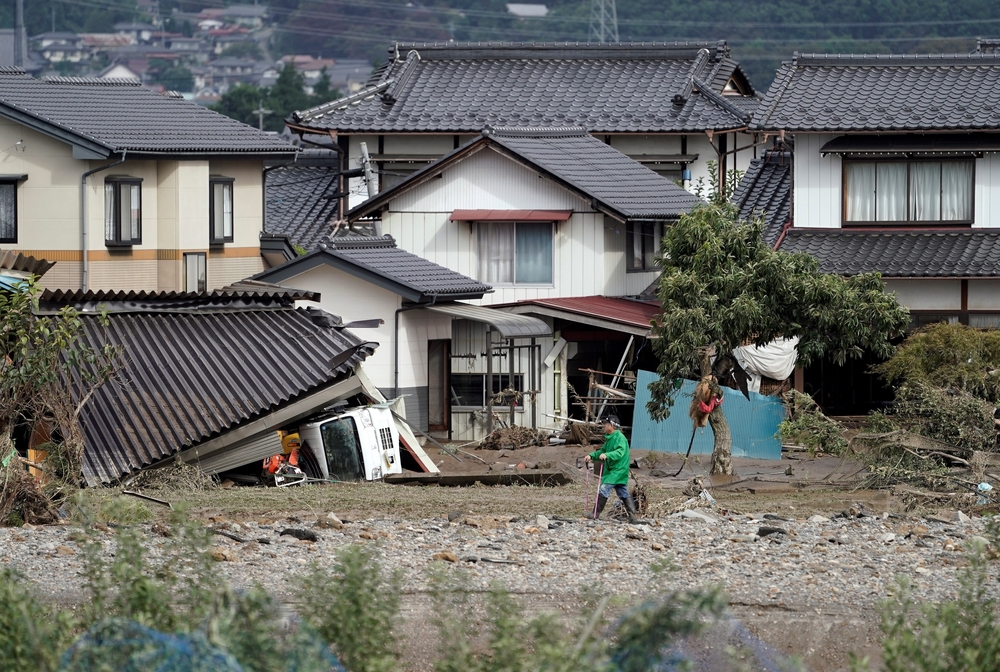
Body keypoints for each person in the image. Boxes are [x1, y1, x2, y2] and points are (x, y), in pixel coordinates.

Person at [584, 417, 639, 523]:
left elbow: (620, 452)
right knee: (623, 492)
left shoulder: (620, 438)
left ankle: (595, 513)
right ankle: (632, 516)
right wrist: (591, 456)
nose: (604, 426)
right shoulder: (610, 438)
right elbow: (602, 451)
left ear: (612, 426)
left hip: (618, 470)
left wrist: (607, 455)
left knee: (604, 488)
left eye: (606, 424)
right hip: (613, 470)